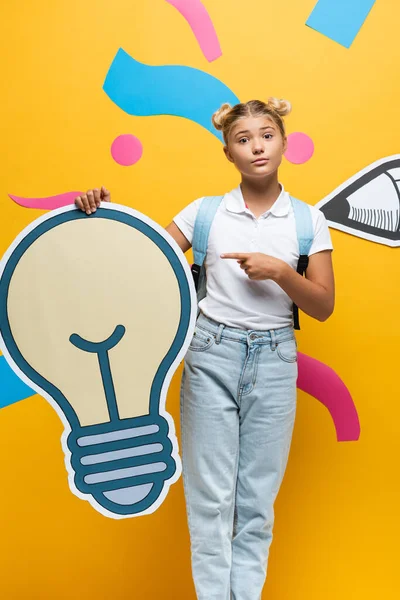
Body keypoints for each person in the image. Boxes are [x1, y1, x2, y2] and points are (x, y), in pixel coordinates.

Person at [75, 97, 335, 600]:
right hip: (211, 354)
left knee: (256, 505)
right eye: (243, 140)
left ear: (284, 143)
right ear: (228, 153)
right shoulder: (205, 214)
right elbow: (143, 261)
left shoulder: (307, 221)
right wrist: (99, 215)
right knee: (211, 502)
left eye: (266, 135)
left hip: (277, 361)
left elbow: (323, 306)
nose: (256, 146)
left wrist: (280, 271)